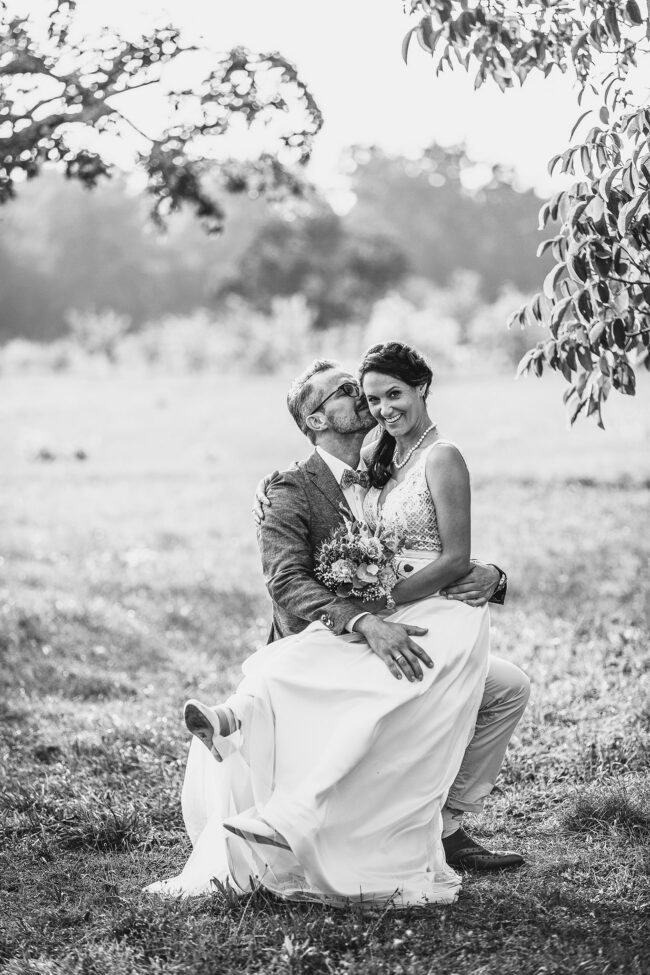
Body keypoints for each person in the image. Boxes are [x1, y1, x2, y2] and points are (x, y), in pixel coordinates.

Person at [146, 342, 528, 906]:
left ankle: (444, 826)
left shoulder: (386, 463)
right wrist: (366, 620)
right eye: (349, 392)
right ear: (316, 420)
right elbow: (288, 583)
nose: (365, 399)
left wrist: (491, 575)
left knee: (509, 688)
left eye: (367, 389)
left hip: (408, 624)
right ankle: (240, 726)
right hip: (336, 640)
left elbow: (431, 541)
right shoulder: (289, 488)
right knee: (288, 675)